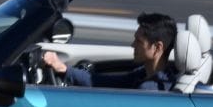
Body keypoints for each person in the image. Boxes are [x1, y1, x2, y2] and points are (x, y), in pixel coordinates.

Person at [42, 12, 178, 91]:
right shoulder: (143, 74)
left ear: (157, 48)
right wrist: (64, 69)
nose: (132, 45)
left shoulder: (149, 90)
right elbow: (103, 82)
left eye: (139, 41)